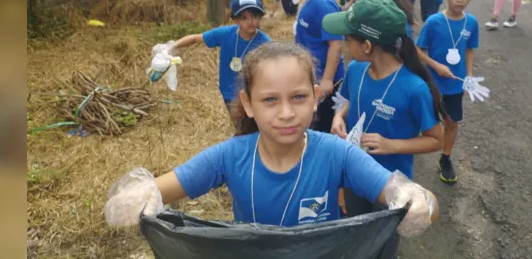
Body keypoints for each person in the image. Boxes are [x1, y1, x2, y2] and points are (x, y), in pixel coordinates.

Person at [105, 42, 439, 239]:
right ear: (248, 104)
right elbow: (162, 188)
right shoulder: (229, 157)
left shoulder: (337, 154)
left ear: (314, 99)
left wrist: (410, 196)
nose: (285, 113)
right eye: (269, 100)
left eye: (297, 97)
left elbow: (393, 189)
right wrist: (136, 198)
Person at [323, 0, 446, 259]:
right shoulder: (356, 69)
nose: (344, 44)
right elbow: (347, 100)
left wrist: (392, 145)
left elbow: (437, 139)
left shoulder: (414, 88)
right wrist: (338, 116)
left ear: (367, 45)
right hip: (354, 175)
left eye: (348, 38)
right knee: (357, 234)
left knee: (382, 245)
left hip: (390, 187)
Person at [416, 0, 480, 183]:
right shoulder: (434, 21)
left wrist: (469, 75)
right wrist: (436, 66)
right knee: (421, 119)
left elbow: (470, 49)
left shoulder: (471, 23)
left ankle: (446, 156)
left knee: (451, 122)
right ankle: (408, 150)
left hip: (455, 85)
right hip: (431, 84)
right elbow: (418, 50)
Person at [170, 0, 271, 115]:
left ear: (260, 17)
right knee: (238, 125)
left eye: (254, 17)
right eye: (244, 18)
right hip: (229, 93)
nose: (250, 21)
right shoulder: (225, 33)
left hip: (253, 93)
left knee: (254, 126)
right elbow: (195, 38)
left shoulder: (264, 42)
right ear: (236, 20)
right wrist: (171, 46)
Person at [294, 0, 345, 134]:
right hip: (313, 75)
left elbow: (336, 43)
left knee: (323, 126)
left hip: (325, 81)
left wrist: (327, 80)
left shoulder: (324, 5)